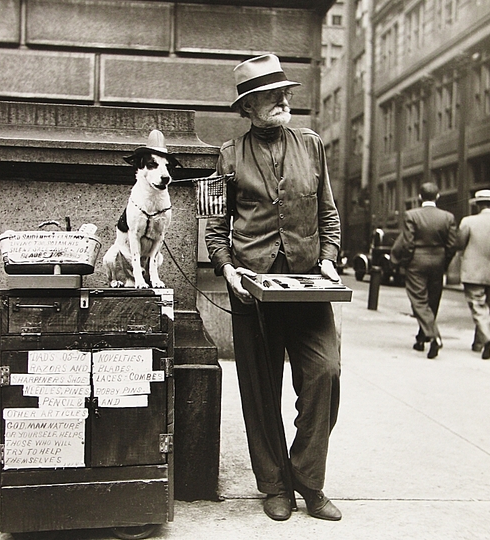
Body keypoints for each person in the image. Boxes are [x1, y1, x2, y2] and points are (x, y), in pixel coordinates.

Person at [205, 54, 342, 522]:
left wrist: (327, 261)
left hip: (307, 287)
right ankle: (275, 486)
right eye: (271, 94)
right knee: (261, 392)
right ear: (247, 106)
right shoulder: (227, 155)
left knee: (326, 374)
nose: (284, 99)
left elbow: (328, 214)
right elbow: (214, 227)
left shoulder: (312, 145)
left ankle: (309, 480)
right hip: (251, 290)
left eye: (286, 91)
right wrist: (227, 270)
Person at [391, 182, 457, 359]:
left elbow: (408, 242)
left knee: (419, 300)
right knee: (432, 300)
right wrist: (444, 262)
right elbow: (452, 245)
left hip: (417, 261)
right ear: (437, 197)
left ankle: (434, 336)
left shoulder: (411, 215)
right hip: (438, 261)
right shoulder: (448, 217)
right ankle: (421, 338)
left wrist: (406, 262)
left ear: (420, 197)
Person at [456, 189, 490, 360]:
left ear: (478, 205)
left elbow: (459, 243)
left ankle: (488, 338)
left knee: (478, 307)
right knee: (487, 307)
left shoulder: (468, 221)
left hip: (473, 271)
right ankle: (478, 343)